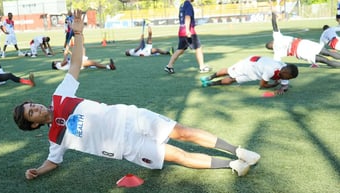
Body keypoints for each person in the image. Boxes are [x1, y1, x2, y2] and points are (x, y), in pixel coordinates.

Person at [13, 10, 261, 180]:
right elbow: (53, 162)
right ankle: (232, 164)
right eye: (32, 112)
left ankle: (237, 150)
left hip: (131, 118)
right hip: (127, 147)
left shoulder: (60, 97)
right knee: (178, 156)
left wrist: (78, 34)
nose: (37, 107)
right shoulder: (56, 137)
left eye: (33, 104)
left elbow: (76, 65)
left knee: (183, 132)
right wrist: (37, 170)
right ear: (34, 124)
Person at [266, 12, 340, 68]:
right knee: (328, 52)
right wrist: (273, 14)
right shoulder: (277, 38)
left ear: (271, 48)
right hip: (302, 44)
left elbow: (277, 64)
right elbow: (274, 25)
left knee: (325, 61)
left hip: (300, 53)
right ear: (272, 42)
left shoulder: (277, 53)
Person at [200, 56, 298, 94]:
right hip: (249, 64)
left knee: (233, 80)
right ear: (285, 72)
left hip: (254, 73)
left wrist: (283, 88)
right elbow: (262, 85)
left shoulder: (285, 67)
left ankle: (211, 84)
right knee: (229, 71)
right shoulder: (271, 71)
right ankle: (210, 78)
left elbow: (285, 84)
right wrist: (274, 85)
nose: (288, 79)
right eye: (288, 77)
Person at [164, 0, 210, 74]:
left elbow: (183, 19)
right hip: (188, 31)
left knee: (180, 49)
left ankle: (169, 66)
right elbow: (187, 17)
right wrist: (188, 30)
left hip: (181, 30)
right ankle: (202, 67)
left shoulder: (182, 5)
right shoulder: (188, 4)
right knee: (198, 48)